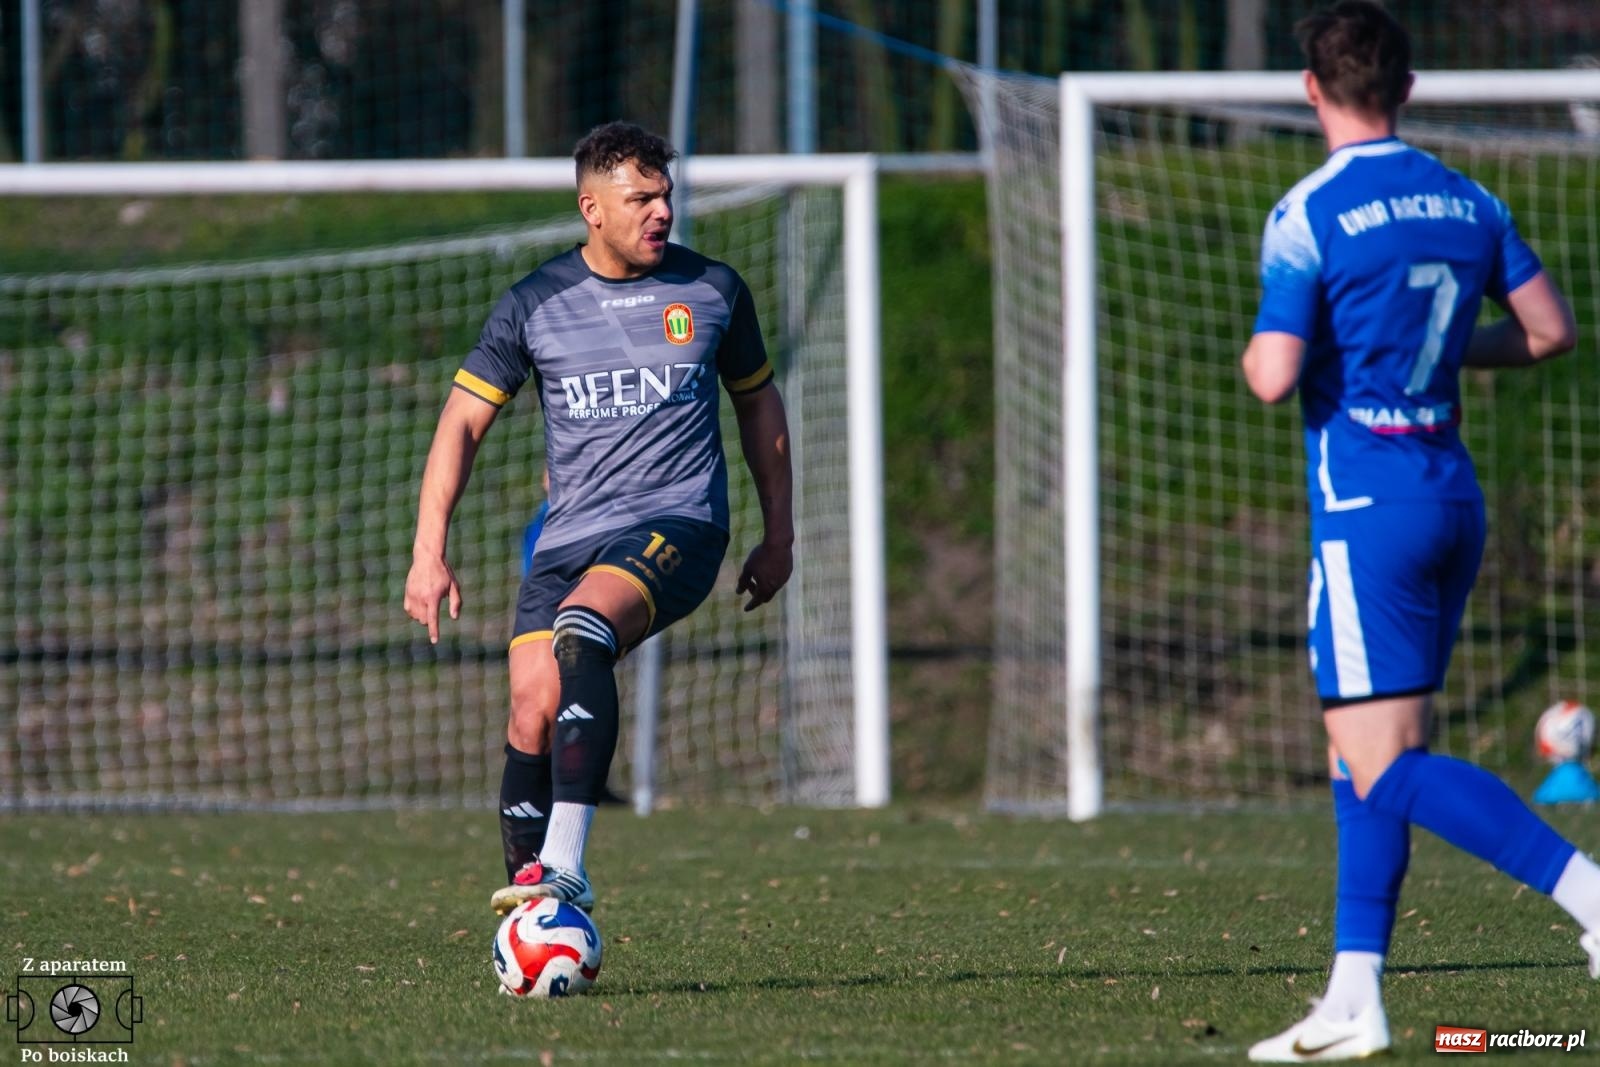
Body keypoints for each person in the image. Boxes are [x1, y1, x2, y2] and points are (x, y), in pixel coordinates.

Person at [1241, 3, 1591, 1060]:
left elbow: (1272, 375)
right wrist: (1434, 367)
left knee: (1385, 766)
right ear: (1408, 86)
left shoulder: (1307, 211)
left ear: (1312, 87)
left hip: (1365, 512)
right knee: (1367, 758)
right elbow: (1548, 331)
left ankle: (1586, 891)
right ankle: (1354, 996)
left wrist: (1293, 350)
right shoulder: (1468, 196)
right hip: (1449, 498)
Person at [403, 121, 793, 916]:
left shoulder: (714, 290)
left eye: (666, 195)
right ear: (592, 207)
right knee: (530, 707)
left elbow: (759, 407)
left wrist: (778, 533)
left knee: (582, 631)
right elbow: (461, 423)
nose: (661, 211)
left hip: (678, 524)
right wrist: (427, 551)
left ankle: (567, 865)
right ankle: (534, 908)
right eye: (640, 197)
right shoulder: (533, 304)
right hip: (567, 536)